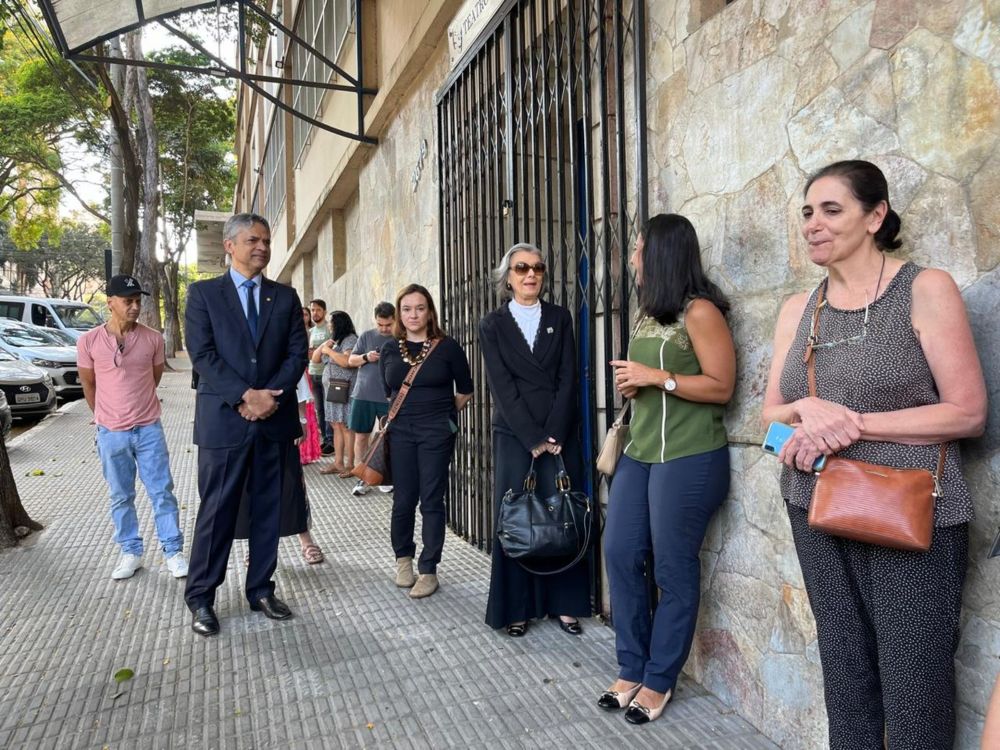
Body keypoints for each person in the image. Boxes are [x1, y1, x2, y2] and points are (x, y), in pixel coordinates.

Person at [761, 160, 987, 748]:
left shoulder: (923, 287)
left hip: (910, 512)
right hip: (814, 508)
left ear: (876, 216)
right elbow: (770, 418)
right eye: (808, 212)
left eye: (831, 210)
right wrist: (805, 416)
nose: (813, 223)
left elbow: (966, 412)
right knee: (846, 675)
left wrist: (851, 424)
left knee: (916, 686)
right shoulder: (798, 310)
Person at [601, 214, 735, 725]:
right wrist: (635, 385)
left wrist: (657, 377)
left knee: (672, 568)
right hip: (640, 450)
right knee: (618, 551)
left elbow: (721, 385)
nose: (632, 257)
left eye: (638, 249)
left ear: (660, 255)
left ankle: (659, 679)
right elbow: (648, 380)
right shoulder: (645, 314)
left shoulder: (700, 313)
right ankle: (630, 666)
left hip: (689, 455)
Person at [183, 212, 309, 637]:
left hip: (272, 420)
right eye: (253, 240)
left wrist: (268, 397)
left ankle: (260, 588)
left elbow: (297, 354)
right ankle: (201, 597)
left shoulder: (286, 297)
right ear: (230, 246)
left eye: (267, 240)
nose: (262, 247)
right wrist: (244, 396)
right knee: (217, 511)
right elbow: (202, 354)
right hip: (225, 422)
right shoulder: (203, 295)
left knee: (268, 511)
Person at [479, 243, 590, 637]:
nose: (530, 274)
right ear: (507, 277)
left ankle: (565, 603)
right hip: (515, 435)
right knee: (518, 519)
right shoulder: (492, 324)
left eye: (538, 268)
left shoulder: (559, 318)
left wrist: (555, 433)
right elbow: (502, 387)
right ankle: (517, 606)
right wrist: (532, 437)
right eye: (521, 268)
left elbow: (568, 377)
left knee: (561, 515)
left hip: (559, 435)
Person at [77, 274, 188, 581]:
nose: (135, 307)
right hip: (111, 433)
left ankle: (172, 551)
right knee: (120, 495)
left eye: (138, 301)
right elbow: (89, 384)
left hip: (148, 428)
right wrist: (103, 415)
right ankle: (131, 551)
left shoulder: (153, 339)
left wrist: (136, 409)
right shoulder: (89, 342)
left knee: (162, 491)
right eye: (128, 301)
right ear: (110, 303)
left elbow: (153, 379)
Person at [379, 284, 473, 599]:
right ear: (399, 314)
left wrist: (442, 415)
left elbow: (466, 389)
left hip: (436, 433)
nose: (413, 314)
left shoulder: (448, 347)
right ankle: (403, 559)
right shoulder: (391, 349)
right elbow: (388, 391)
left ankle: (429, 569)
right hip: (401, 433)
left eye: (420, 308)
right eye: (407, 309)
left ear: (430, 311)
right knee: (403, 499)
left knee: (431, 499)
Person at [235, 372, 324, 564]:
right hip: (245, 419)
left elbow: (295, 376)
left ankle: (305, 539)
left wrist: (301, 420)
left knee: (291, 482)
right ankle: (255, 544)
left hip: (282, 418)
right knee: (251, 485)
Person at [346, 301, 395, 496]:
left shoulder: (399, 337)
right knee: (361, 436)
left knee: (390, 438)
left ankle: (386, 476)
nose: (384, 328)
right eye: (380, 324)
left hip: (388, 396)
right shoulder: (366, 336)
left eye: (388, 325)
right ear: (375, 320)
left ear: (395, 320)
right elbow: (351, 360)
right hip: (363, 394)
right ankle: (363, 477)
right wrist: (366, 357)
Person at [313, 310, 358, 477]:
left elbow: (346, 362)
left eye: (331, 323)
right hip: (332, 390)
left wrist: (329, 351)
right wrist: (324, 347)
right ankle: (338, 462)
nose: (329, 325)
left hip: (345, 389)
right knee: (336, 425)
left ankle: (350, 464)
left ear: (339, 323)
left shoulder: (350, 340)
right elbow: (316, 359)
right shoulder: (335, 340)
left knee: (346, 426)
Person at [307, 299, 334, 455]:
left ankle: (331, 440)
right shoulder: (311, 331)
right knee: (320, 409)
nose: (314, 313)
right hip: (313, 372)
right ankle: (324, 439)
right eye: (312, 310)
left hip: (327, 373)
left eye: (318, 310)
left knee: (328, 407)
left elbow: (334, 347)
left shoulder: (329, 328)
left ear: (324, 311)